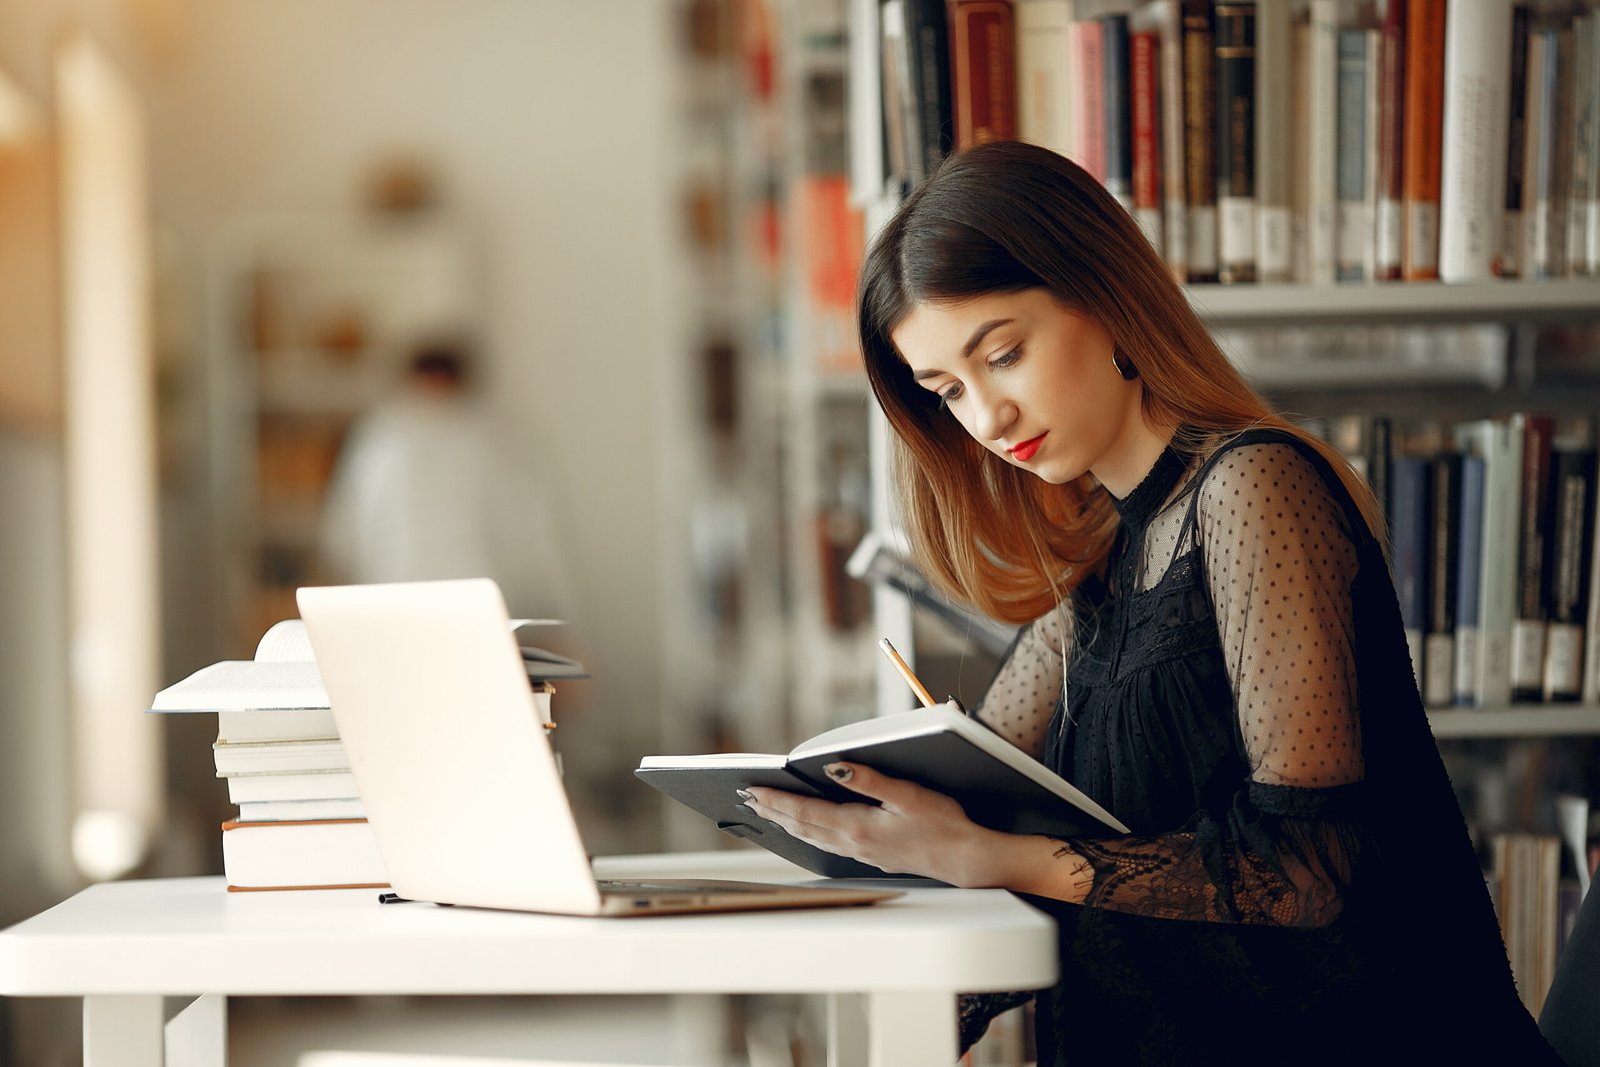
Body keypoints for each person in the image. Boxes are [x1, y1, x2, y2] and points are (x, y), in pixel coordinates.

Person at [741, 141, 1560, 1064]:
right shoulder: (1100, 555)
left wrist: (988, 860)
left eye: (1004, 354)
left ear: (1103, 294)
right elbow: (998, 793)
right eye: (949, 391)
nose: (987, 420)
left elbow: (1302, 874)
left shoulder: (1252, 487)